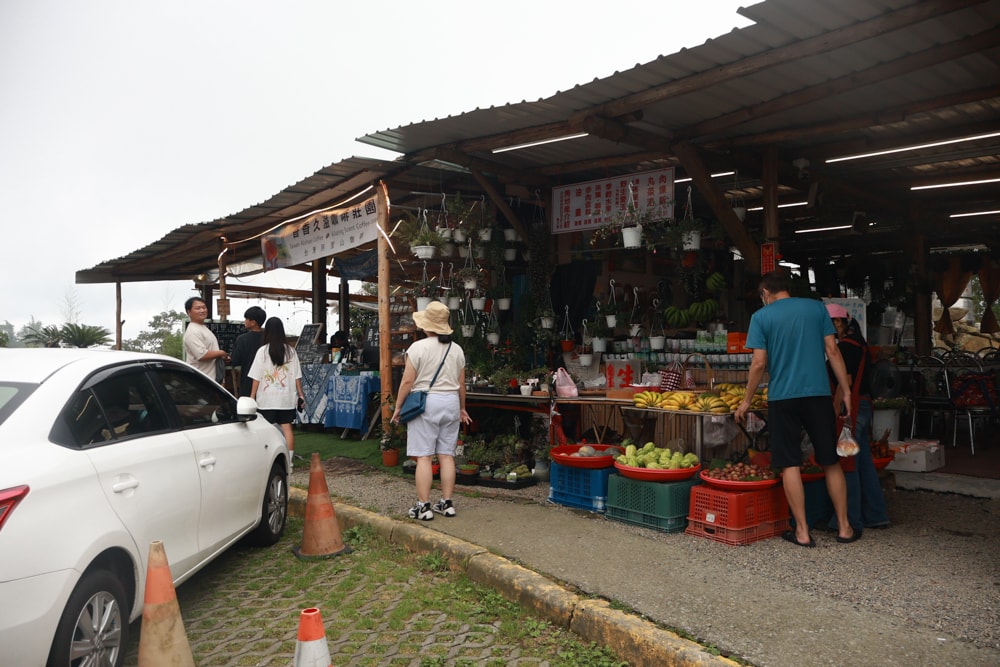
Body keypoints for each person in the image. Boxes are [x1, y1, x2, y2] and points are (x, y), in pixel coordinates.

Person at [734, 272, 858, 547]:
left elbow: (758, 364)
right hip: (818, 394)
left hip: (783, 398)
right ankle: (845, 528)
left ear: (765, 293)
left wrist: (746, 400)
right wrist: (846, 392)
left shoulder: (762, 317)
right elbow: (833, 351)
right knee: (830, 461)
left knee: (789, 463)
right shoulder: (816, 308)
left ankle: (802, 532)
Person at [391, 300, 471, 521]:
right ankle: (447, 503)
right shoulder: (457, 350)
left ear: (427, 326)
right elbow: (461, 384)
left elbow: (407, 381)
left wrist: (398, 407)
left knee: (424, 457)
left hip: (426, 403)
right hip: (451, 402)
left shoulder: (417, 348)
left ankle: (423, 506)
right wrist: (462, 408)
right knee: (447, 455)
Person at [826, 303, 890, 531]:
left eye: (829, 324)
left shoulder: (845, 348)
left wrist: (835, 409)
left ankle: (849, 519)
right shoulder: (859, 344)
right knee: (863, 463)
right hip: (863, 405)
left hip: (849, 408)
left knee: (847, 463)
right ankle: (876, 514)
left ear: (839, 323)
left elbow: (847, 382)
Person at [249, 317, 305, 462]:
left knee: (266, 430)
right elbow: (297, 377)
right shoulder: (291, 352)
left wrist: (251, 397)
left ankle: (268, 460)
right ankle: (289, 462)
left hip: (266, 399)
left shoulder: (262, 351)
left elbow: (256, 377)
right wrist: (301, 395)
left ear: (266, 332)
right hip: (286, 399)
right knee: (287, 428)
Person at [182, 296, 229, 381]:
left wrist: (221, 357)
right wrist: (221, 353)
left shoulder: (203, 327)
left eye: (204, 307)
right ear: (189, 312)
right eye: (198, 308)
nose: (202, 310)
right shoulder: (192, 331)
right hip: (201, 380)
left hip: (211, 379)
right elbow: (202, 355)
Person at [230, 306, 267, 397]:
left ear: (253, 322)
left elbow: (235, 360)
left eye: (246, 319)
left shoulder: (242, 339)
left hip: (248, 381)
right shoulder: (268, 338)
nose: (244, 321)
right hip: (267, 381)